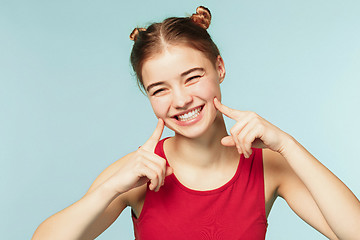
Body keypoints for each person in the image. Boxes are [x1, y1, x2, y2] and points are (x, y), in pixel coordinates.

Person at [32, 6, 360, 240]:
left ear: (219, 67)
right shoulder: (134, 173)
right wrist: (112, 189)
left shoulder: (270, 167)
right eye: (159, 90)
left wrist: (287, 144)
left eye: (192, 77)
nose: (180, 100)